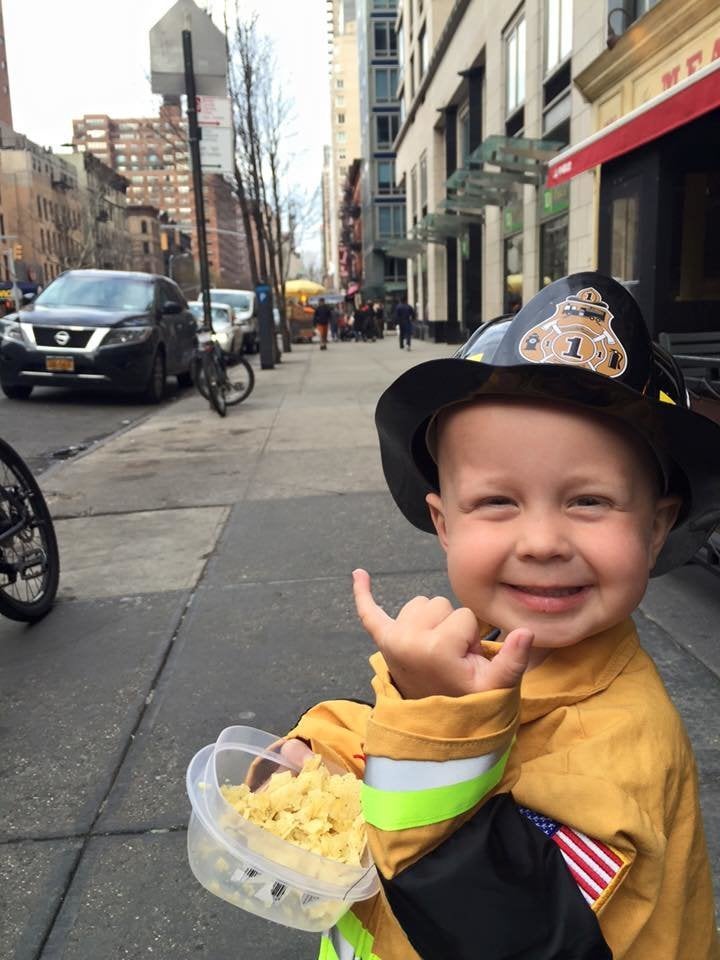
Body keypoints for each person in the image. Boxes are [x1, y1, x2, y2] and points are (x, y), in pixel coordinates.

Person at [279, 274, 720, 959]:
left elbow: (503, 929)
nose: (541, 541)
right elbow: (408, 752)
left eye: (590, 501)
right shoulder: (493, 646)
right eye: (497, 503)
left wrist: (431, 713)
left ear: (657, 529)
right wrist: (323, 749)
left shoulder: (612, 760)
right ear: (444, 523)